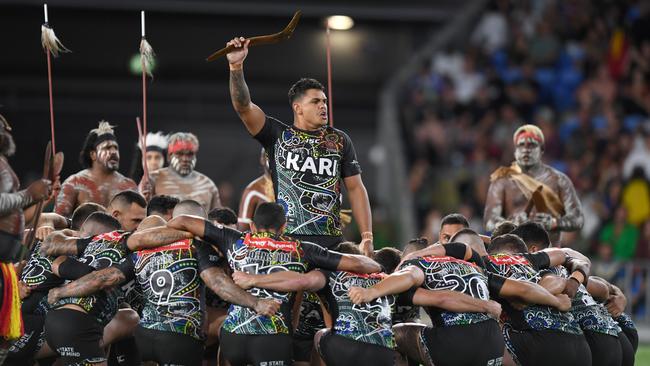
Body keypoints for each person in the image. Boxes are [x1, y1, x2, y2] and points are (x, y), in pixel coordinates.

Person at [46, 215, 280, 366]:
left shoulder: (137, 254)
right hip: (180, 338)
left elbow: (101, 279)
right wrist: (255, 303)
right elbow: (218, 283)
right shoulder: (193, 246)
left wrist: (62, 293)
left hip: (144, 336)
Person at [166, 202, 381, 366]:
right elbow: (367, 265)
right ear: (284, 227)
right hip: (273, 340)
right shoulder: (302, 249)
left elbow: (182, 220)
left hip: (233, 338)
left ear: (252, 226)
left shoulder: (234, 239)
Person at [232, 244, 502, 366]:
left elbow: (298, 282)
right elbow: (442, 298)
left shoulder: (329, 274)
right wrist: (485, 306)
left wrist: (253, 279)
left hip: (344, 350)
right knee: (401, 336)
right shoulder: (389, 281)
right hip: (382, 356)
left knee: (320, 335)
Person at [225, 37, 373, 253]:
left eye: (324, 101)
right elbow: (243, 107)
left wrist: (367, 236)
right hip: (288, 240)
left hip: (332, 242)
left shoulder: (339, 140)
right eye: (315, 101)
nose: (323, 106)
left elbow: (356, 188)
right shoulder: (276, 135)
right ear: (298, 108)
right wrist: (236, 67)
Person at [348, 240, 571, 366]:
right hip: (494, 344)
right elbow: (523, 288)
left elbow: (437, 295)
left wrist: (371, 291)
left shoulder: (414, 269)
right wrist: (556, 301)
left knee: (395, 334)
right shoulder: (477, 267)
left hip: (457, 346)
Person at [39, 217, 196, 365]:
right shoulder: (134, 245)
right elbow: (99, 280)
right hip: (78, 322)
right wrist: (196, 232)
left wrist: (61, 233)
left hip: (57, 318)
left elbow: (50, 245)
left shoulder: (98, 239)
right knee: (130, 318)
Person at [484, 124, 584, 245]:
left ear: (541, 150)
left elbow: (577, 219)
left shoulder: (559, 180)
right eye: (521, 145)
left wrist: (553, 223)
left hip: (550, 253)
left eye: (532, 145)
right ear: (515, 151)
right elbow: (489, 221)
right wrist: (512, 223)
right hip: (515, 252)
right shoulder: (502, 182)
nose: (526, 149)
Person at [55, 121, 137, 217]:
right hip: (83, 232)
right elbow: (58, 219)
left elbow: (140, 220)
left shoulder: (129, 186)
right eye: (107, 148)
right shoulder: (75, 183)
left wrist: (146, 198)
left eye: (116, 148)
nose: (114, 152)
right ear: (93, 155)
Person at [140, 132, 221, 212]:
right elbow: (139, 211)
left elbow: (218, 220)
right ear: (169, 156)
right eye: (179, 154)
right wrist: (144, 198)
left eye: (190, 154)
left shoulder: (208, 185)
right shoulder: (153, 179)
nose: (185, 159)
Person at [238, 148, 274, 231]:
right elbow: (242, 231)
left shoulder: (290, 187)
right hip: (262, 243)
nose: (272, 160)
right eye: (269, 156)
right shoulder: (253, 191)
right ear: (262, 159)